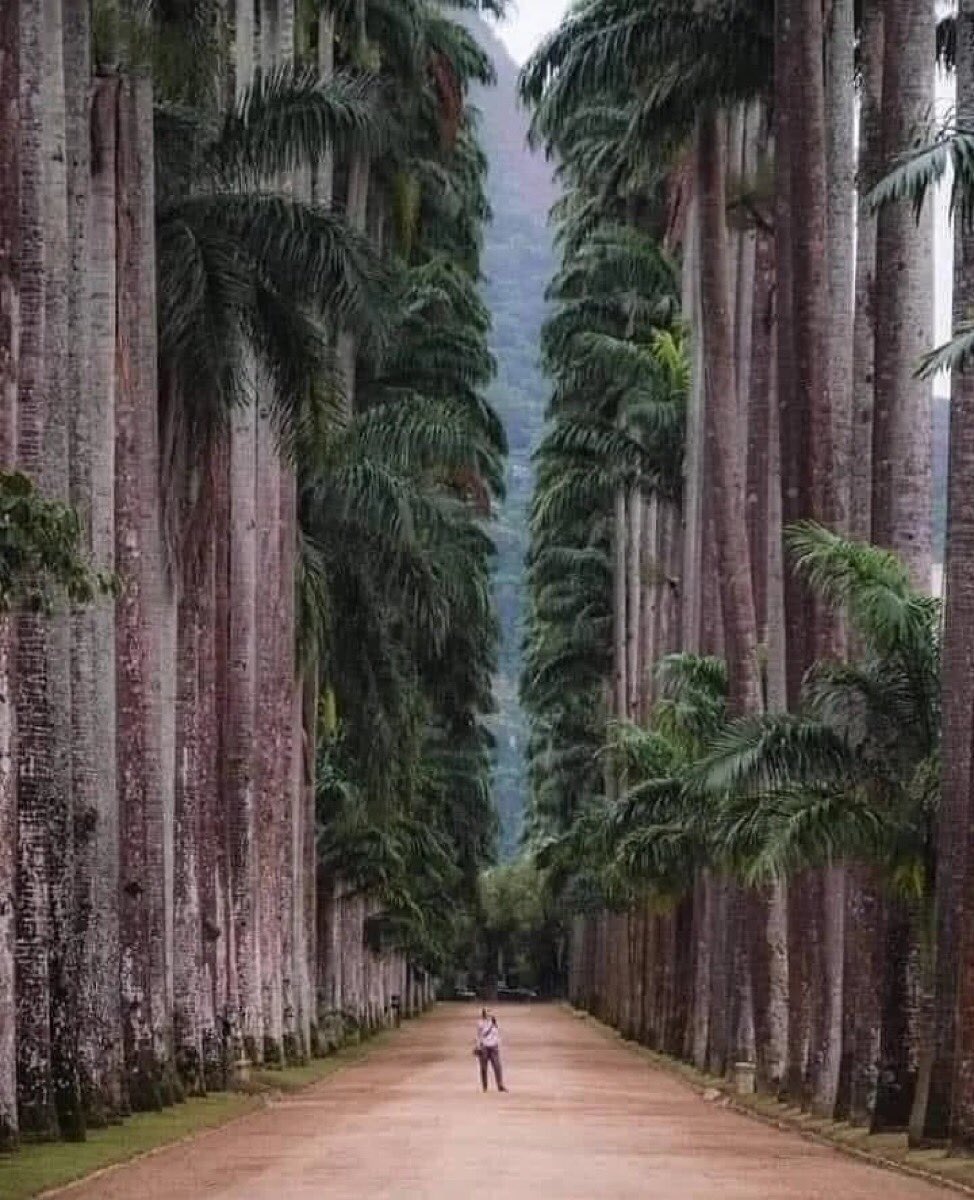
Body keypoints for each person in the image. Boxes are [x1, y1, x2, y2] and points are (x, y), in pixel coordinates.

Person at [474, 1008, 507, 1092]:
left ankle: (500, 1085)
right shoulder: (480, 1023)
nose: (489, 1014)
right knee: (484, 1068)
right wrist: (478, 1046)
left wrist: (498, 1042)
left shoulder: (495, 1023)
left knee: (497, 1066)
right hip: (484, 1047)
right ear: (484, 1014)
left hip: (494, 1047)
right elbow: (478, 1035)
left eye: (490, 1013)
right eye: (488, 1013)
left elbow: (498, 1033)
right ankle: (485, 1086)